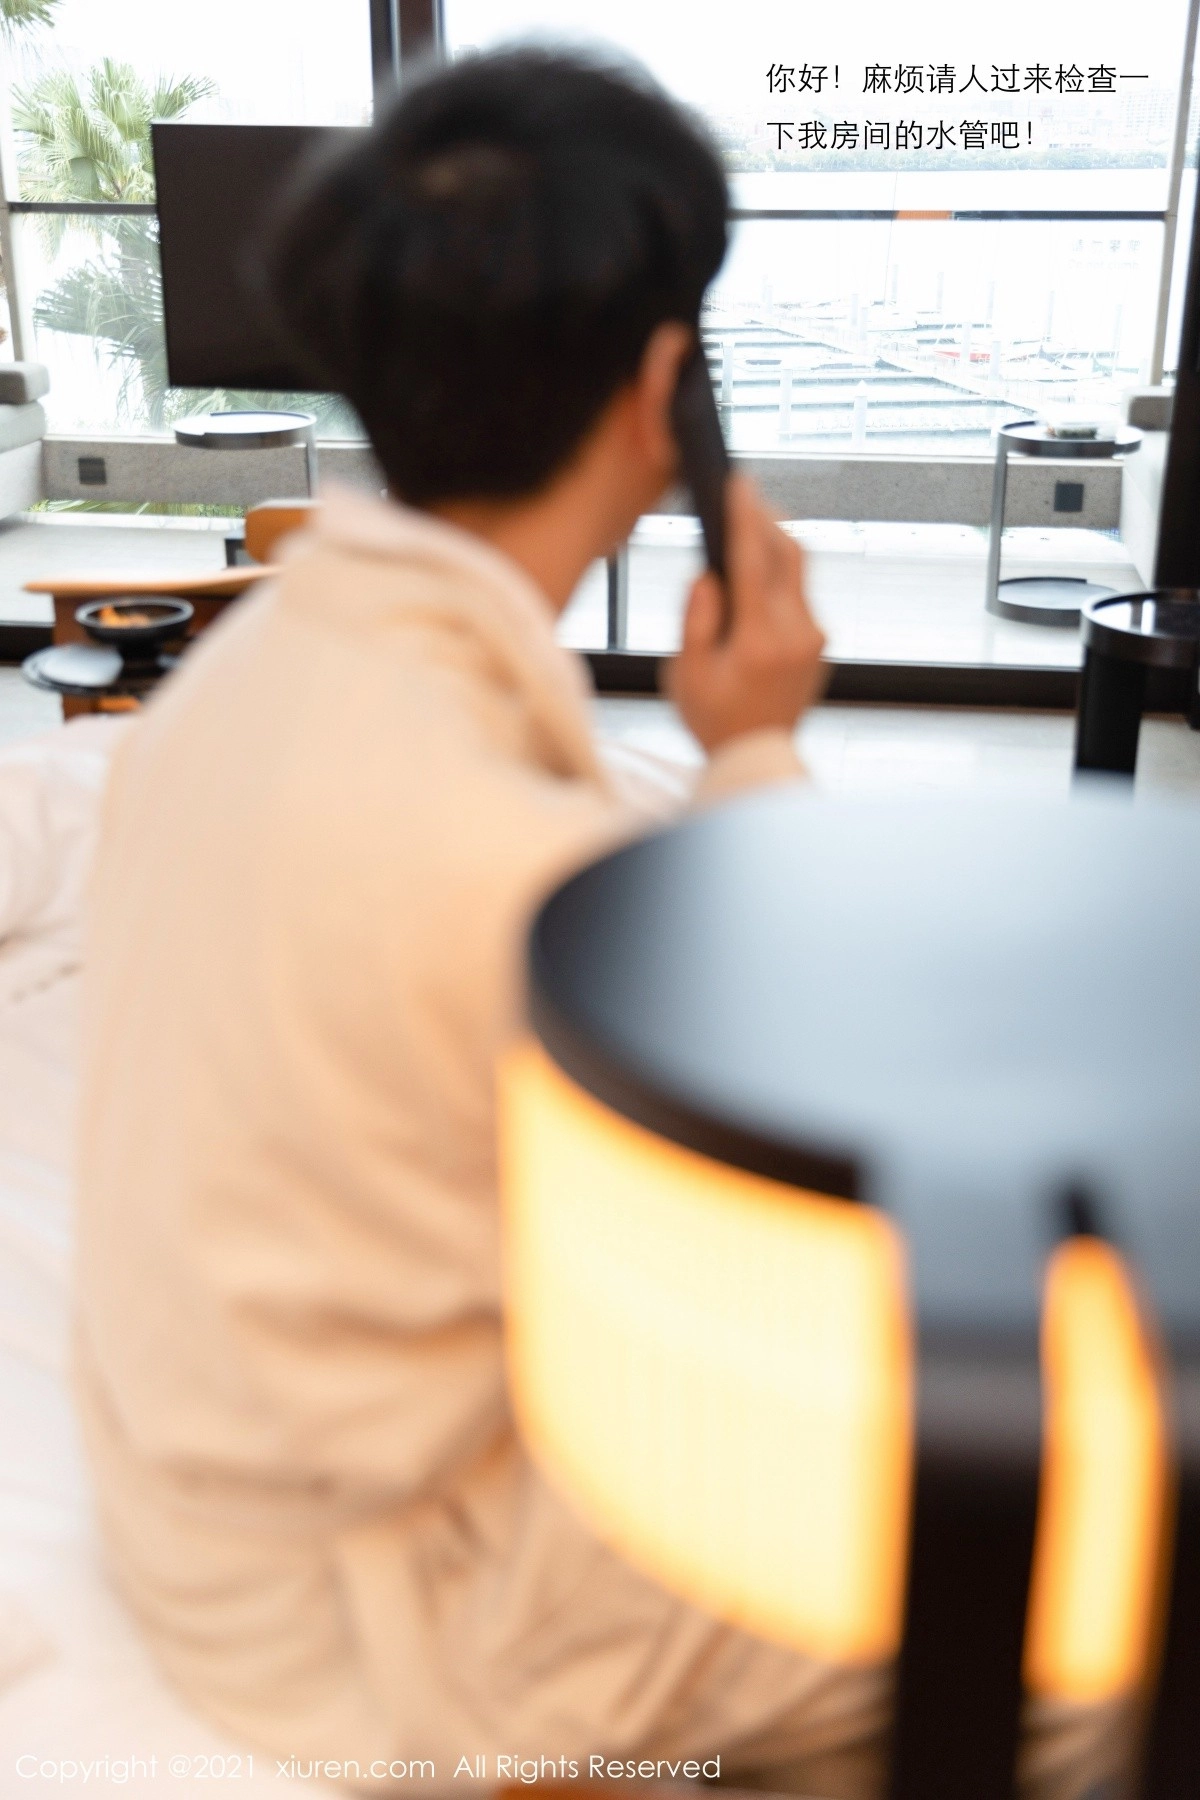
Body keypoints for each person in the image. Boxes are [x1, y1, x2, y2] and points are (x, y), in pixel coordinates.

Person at [72, 47, 1108, 1800]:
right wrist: (756, 748)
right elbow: (816, 1183)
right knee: (1078, 1620)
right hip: (386, 1620)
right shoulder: (525, 877)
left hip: (213, 1503)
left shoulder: (234, 684)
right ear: (660, 393)